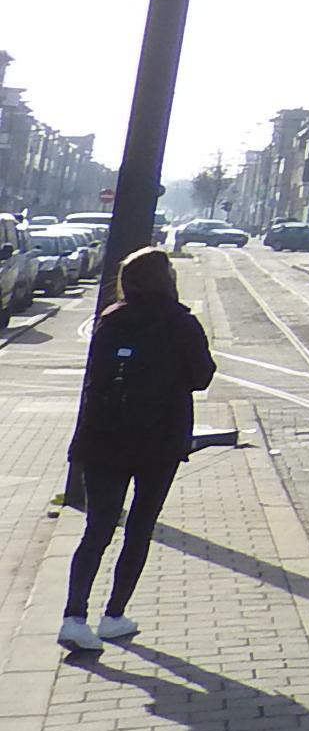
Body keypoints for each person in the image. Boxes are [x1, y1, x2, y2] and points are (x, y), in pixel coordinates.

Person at [60, 246, 217, 654]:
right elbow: (202, 377)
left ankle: (73, 617)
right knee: (140, 526)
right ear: (166, 280)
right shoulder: (181, 323)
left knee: (97, 528)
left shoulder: (109, 320)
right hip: (158, 441)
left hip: (102, 438)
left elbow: (96, 376)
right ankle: (113, 615)